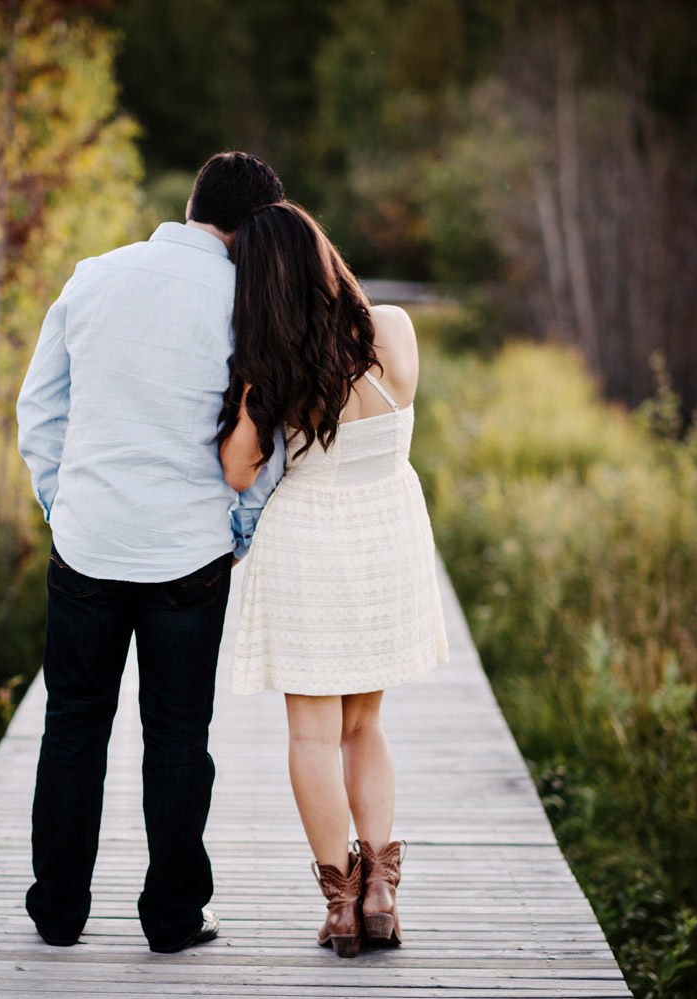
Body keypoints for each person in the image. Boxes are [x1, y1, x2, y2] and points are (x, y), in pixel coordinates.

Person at [15, 151, 287, 954]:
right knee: (176, 739)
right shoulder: (248, 302)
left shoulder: (94, 275)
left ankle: (58, 912)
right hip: (188, 555)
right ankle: (171, 919)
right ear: (253, 229)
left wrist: (63, 505)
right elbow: (266, 439)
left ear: (197, 203)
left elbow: (40, 407)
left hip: (90, 543)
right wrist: (241, 524)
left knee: (72, 727)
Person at [215, 201, 449, 958]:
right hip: (387, 534)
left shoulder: (271, 364)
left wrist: (250, 395)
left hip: (308, 537)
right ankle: (381, 887)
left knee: (312, 732)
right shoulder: (395, 333)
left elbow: (238, 469)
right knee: (364, 724)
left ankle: (342, 906)